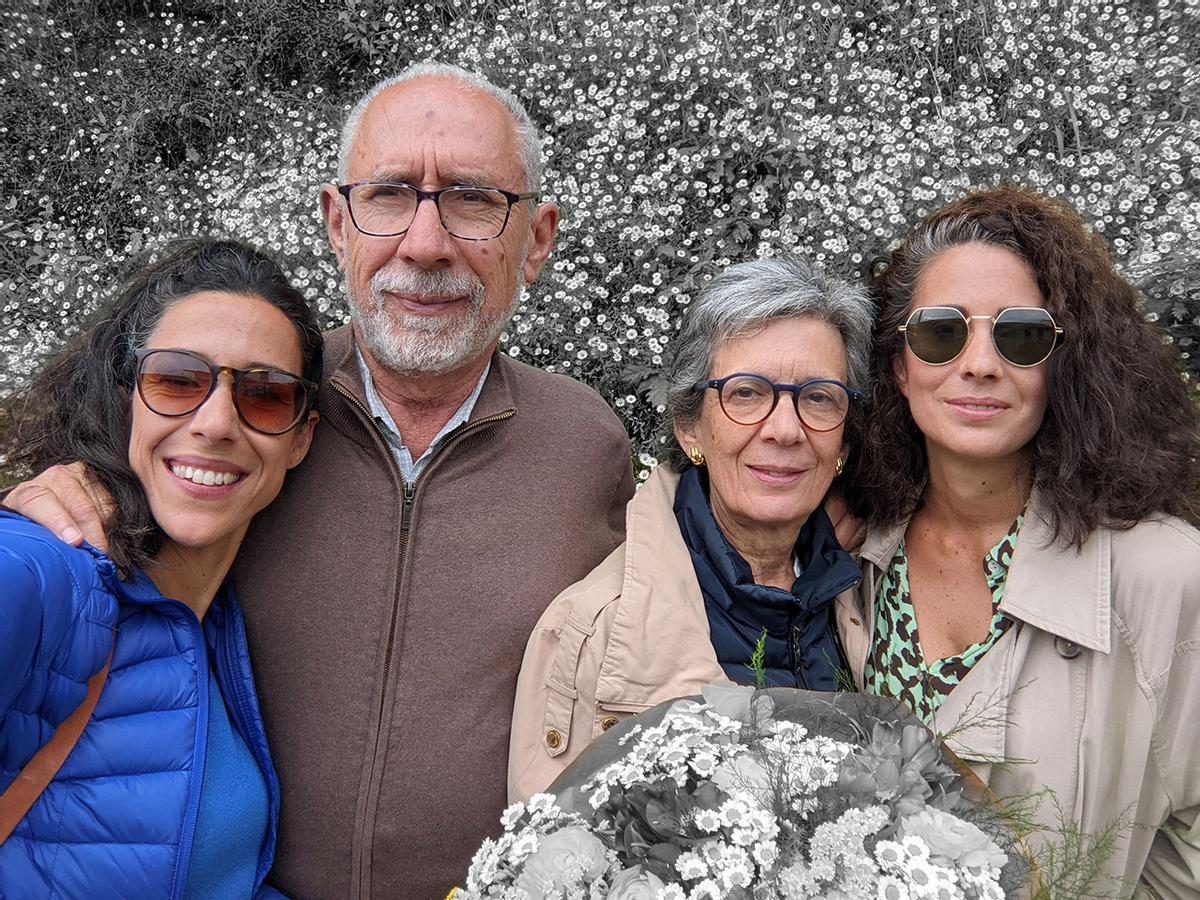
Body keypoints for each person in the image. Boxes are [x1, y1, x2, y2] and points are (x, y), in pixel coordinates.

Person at [4, 63, 635, 896]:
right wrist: (51, 494)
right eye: (388, 195)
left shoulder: (588, 446)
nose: (425, 243)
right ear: (337, 223)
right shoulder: (255, 403)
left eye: (474, 200)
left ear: (539, 239)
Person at [839, 186, 1200, 896]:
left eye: (1022, 334)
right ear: (899, 364)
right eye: (941, 332)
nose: (979, 363)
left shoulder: (1167, 577)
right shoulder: (845, 557)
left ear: (1062, 363)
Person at [0, 239, 321, 898]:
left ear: (301, 438)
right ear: (127, 399)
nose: (216, 423)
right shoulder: (47, 574)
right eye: (177, 380)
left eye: (264, 395)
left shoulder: (218, 629)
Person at [509, 257, 873, 800]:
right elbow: (554, 863)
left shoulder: (876, 594)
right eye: (746, 393)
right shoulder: (589, 634)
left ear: (843, 442)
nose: (784, 429)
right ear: (689, 426)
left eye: (818, 398)